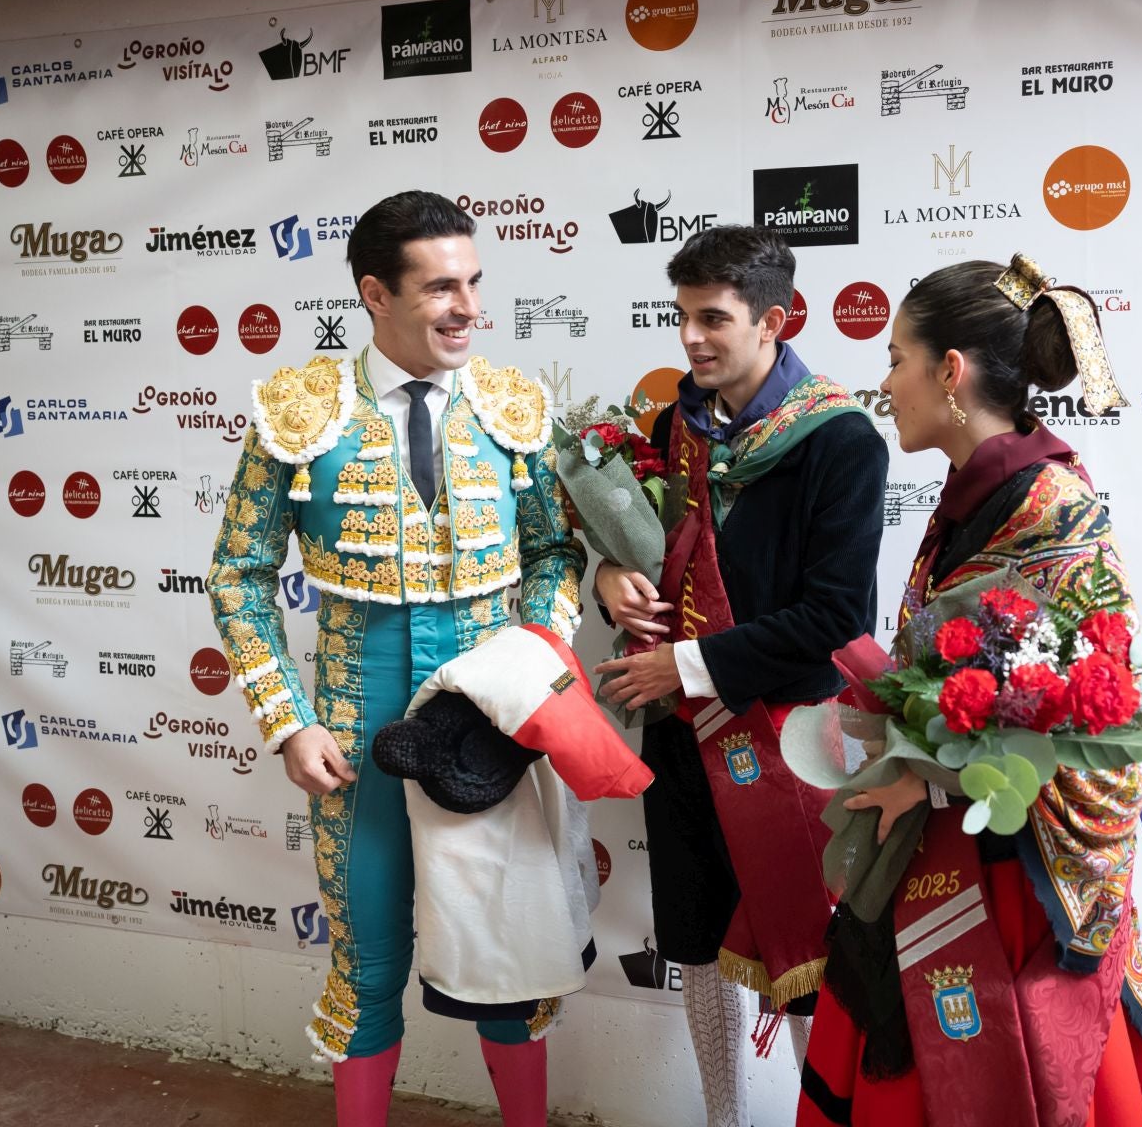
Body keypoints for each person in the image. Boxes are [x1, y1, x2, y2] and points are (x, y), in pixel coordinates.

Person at [205, 190, 586, 1127]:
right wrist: (289, 721)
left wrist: (536, 667)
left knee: (506, 965)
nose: (468, 308)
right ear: (375, 294)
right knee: (367, 966)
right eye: (441, 288)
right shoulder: (299, 411)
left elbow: (554, 553)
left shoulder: (512, 406)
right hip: (354, 721)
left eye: (474, 283)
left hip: (488, 718)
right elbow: (238, 574)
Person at [796, 256, 1142, 1127]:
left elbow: (1097, 715)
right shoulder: (972, 498)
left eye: (896, 359)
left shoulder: (1053, 505)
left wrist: (927, 778)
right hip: (950, 847)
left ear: (950, 371)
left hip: (1015, 885)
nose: (884, 383)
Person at [592, 225, 888, 1127]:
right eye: (682, 316)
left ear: (775, 320)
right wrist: (612, 587)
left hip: (792, 742)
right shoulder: (668, 426)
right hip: (683, 737)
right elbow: (646, 560)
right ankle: (723, 1118)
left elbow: (838, 620)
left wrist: (679, 665)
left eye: (712, 318)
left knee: (805, 956)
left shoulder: (841, 441)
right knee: (698, 942)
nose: (690, 338)